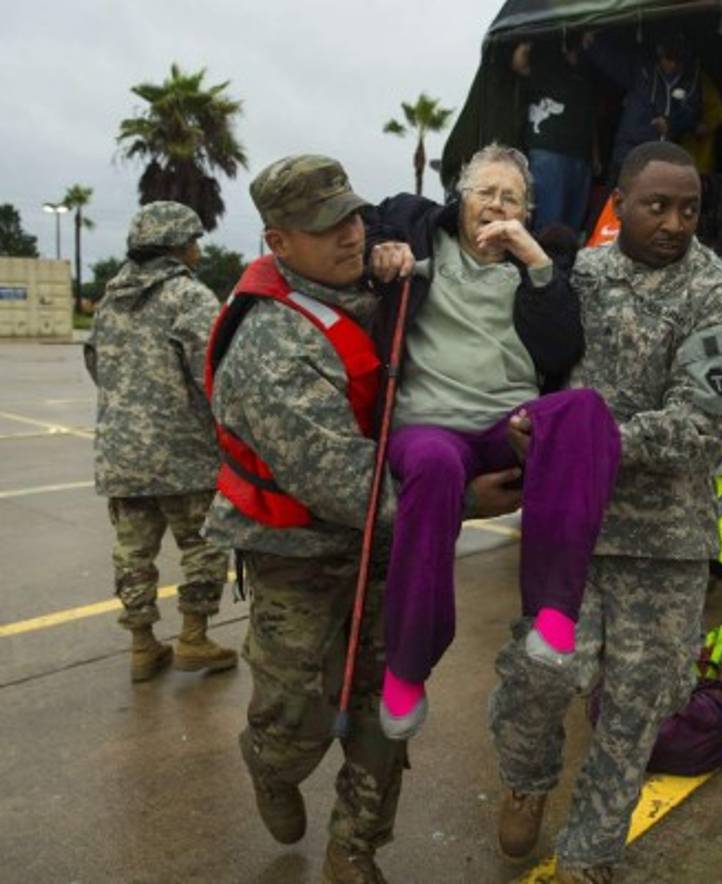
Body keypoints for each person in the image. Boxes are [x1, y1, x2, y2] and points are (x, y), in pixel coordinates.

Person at [202, 154, 521, 883]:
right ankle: (270, 769)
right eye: (326, 228)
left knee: (387, 704)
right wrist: (461, 504)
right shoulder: (272, 343)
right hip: (301, 551)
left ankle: (356, 847)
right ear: (278, 244)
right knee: (295, 716)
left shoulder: (372, 284)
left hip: (390, 544)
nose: (350, 235)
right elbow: (341, 481)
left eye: (352, 215)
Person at [488, 141, 722, 883]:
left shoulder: (718, 297)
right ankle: (526, 774)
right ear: (620, 200)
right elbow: (530, 361)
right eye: (657, 205)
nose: (674, 222)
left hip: (664, 541)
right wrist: (524, 425)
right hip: (573, 529)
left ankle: (591, 852)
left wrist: (586, 438)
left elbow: (701, 427)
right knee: (538, 674)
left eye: (689, 208)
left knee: (641, 705)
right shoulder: (579, 277)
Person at [360, 143, 620, 741]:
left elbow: (559, 350)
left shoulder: (544, 261)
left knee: (583, 411)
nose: (497, 205)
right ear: (461, 195)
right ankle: (408, 665)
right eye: (486, 192)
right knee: (430, 467)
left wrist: (534, 263)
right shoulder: (415, 223)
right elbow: (364, 229)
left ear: (527, 212)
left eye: (512, 198)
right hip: (428, 425)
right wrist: (382, 249)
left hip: (509, 423)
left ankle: (554, 613)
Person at [85, 201, 236, 683]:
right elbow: (212, 370)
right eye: (193, 240)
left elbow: (95, 363)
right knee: (203, 545)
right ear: (175, 245)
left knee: (133, 552)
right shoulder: (188, 297)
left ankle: (142, 645)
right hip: (184, 453)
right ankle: (193, 636)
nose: (197, 249)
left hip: (121, 454)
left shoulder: (111, 299)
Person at [582, 30, 703, 182]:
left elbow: (692, 114)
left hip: (661, 161)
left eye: (677, 60)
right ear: (660, 53)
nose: (671, 64)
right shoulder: (643, 69)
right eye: (668, 58)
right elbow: (614, 62)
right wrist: (593, 45)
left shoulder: (690, 81)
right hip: (627, 154)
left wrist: (671, 124)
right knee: (618, 201)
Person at [511, 40, 600, 232]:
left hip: (580, 157)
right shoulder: (545, 67)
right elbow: (519, 66)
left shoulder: (585, 77)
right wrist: (527, 41)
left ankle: (564, 258)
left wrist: (595, 156)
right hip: (549, 152)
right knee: (548, 222)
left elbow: (591, 121)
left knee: (573, 223)